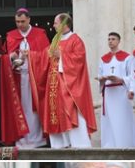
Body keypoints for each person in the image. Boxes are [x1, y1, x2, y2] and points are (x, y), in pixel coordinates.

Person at [39, 13, 96, 148]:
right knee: (56, 114)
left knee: (71, 112)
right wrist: (29, 55)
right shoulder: (55, 41)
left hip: (69, 86)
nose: (53, 26)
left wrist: (62, 56)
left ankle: (79, 144)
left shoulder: (76, 40)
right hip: (54, 86)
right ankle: (61, 144)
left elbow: (79, 60)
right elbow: (43, 58)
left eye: (55, 23)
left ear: (64, 24)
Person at [0, 8, 50, 148]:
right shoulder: (11, 35)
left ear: (28, 19)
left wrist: (31, 55)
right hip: (17, 79)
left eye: (22, 21)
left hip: (36, 79)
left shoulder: (40, 34)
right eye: (17, 22)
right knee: (20, 108)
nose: (20, 24)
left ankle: (36, 139)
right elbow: (4, 56)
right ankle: (21, 140)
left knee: (34, 109)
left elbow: (47, 55)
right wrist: (12, 57)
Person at [98, 31, 135, 147]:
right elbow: (100, 74)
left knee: (122, 120)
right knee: (109, 121)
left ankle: (124, 144)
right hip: (109, 93)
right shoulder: (103, 59)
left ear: (119, 41)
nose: (110, 41)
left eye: (113, 39)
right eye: (109, 39)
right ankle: (109, 145)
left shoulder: (127, 57)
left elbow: (132, 75)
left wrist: (121, 80)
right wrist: (102, 80)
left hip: (121, 93)